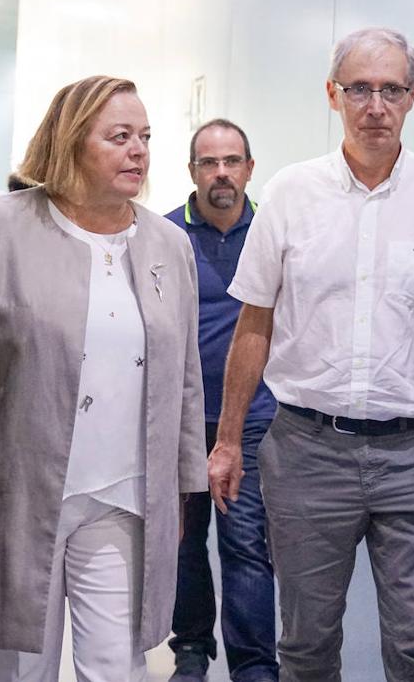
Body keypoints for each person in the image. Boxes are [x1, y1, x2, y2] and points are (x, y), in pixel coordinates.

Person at [210, 27, 414, 681]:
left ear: (413, 96)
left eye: (391, 89)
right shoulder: (290, 192)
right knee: (307, 645)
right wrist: (228, 442)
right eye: (360, 89)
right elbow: (253, 324)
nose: (376, 105)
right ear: (333, 95)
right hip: (308, 452)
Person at [0, 75, 207, 681]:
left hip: (124, 498)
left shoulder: (167, 244)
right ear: (72, 142)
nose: (139, 151)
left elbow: (185, 382)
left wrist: (181, 489)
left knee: (116, 669)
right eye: (120, 136)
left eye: (146, 137)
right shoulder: (1, 228)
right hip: (19, 496)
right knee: (15, 668)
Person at [165, 119, 278, 682]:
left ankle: (256, 666)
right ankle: (190, 648)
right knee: (183, 546)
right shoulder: (162, 236)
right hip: (181, 422)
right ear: (192, 172)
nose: (221, 174)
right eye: (209, 163)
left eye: (232, 161)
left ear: (249, 169)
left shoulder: (272, 233)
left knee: (245, 544)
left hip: (255, 420)